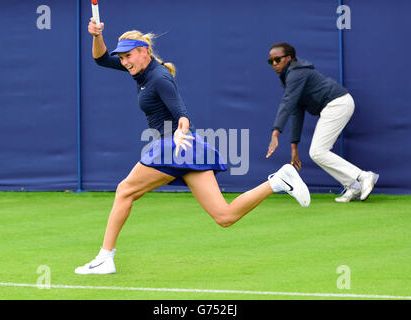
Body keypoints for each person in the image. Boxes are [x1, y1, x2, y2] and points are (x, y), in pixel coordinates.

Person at [75, 20, 311, 275]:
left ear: (144, 50)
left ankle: (104, 258)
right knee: (225, 217)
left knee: (124, 191)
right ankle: (277, 182)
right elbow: (100, 59)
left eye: (128, 56)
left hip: (174, 146)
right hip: (188, 151)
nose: (124, 62)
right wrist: (97, 36)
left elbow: (182, 114)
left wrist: (179, 133)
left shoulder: (159, 78)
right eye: (121, 58)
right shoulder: (141, 71)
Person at [266, 42, 379, 203]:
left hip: (337, 103)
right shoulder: (289, 76)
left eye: (277, 60)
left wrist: (276, 132)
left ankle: (363, 176)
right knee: (318, 152)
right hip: (335, 105)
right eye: (271, 61)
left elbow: (288, 102)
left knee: (317, 152)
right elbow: (296, 110)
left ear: (288, 58)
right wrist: (294, 146)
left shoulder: (296, 73)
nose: (274, 64)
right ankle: (353, 185)